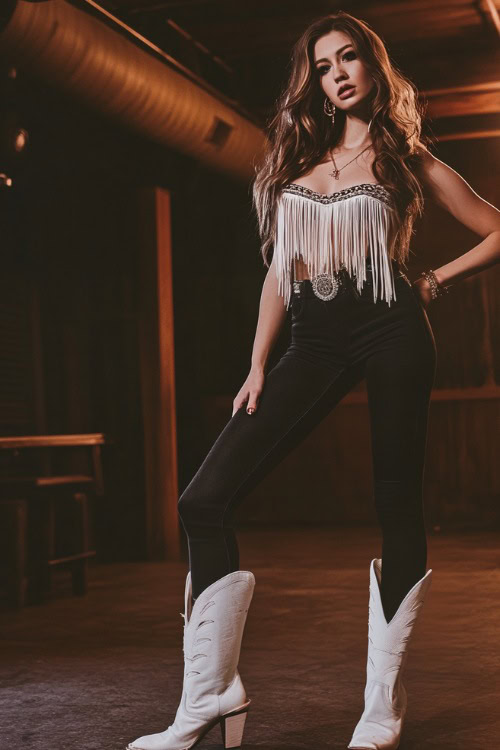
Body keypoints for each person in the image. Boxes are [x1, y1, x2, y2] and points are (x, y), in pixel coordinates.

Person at [127, 11, 500, 750]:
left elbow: (496, 227)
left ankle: (381, 707)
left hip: (394, 330)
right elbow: (280, 272)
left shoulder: (407, 159)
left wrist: (435, 280)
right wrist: (258, 365)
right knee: (205, 497)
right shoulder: (295, 167)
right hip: (314, 339)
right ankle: (209, 700)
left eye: (350, 56)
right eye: (325, 64)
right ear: (317, 84)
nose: (338, 71)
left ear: (373, 67)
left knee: (395, 503)